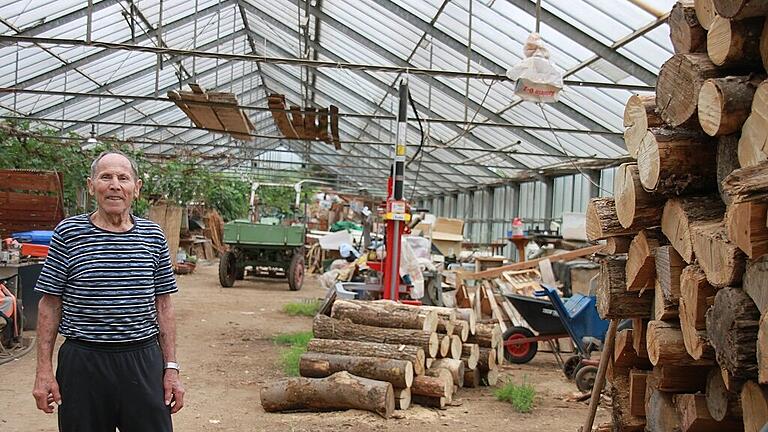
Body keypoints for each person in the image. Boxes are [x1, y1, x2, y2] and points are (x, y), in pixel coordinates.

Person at [32, 151, 185, 432]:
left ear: (135, 189)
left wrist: (171, 368)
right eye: (106, 177)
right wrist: (43, 371)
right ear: (92, 186)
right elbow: (49, 304)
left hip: (142, 360)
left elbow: (164, 306)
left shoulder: (153, 236)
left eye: (123, 178)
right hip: (83, 362)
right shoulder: (69, 233)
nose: (115, 184)